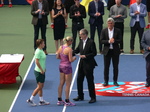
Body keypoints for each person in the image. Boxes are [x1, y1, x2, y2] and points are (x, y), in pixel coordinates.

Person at [73, 29, 97, 103]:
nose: (79, 36)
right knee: (79, 79)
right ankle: (80, 96)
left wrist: (85, 56)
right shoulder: (81, 42)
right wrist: (69, 52)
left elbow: (94, 53)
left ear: (85, 35)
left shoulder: (91, 42)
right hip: (82, 64)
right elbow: (77, 50)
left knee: (89, 80)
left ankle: (93, 97)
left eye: (80, 34)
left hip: (89, 64)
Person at [27, 39, 50, 106]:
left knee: (41, 86)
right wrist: (41, 70)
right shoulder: (38, 52)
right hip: (39, 71)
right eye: (43, 43)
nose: (44, 44)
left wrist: (43, 68)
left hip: (41, 70)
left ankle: (41, 100)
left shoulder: (41, 50)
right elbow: (36, 61)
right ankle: (30, 99)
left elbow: (41, 61)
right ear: (40, 44)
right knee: (39, 86)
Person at [100, 18, 121, 86]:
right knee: (106, 67)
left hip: (115, 51)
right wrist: (109, 41)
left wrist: (114, 41)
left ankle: (115, 81)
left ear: (113, 24)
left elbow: (120, 40)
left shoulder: (118, 30)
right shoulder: (104, 31)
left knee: (115, 67)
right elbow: (101, 40)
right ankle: (106, 81)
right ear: (107, 24)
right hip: (107, 51)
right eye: (109, 23)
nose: (110, 24)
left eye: (111, 23)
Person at [56, 36, 76, 106]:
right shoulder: (69, 49)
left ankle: (59, 99)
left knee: (61, 83)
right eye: (71, 41)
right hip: (67, 67)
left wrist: (63, 59)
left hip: (61, 66)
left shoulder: (61, 47)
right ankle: (67, 101)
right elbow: (70, 60)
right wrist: (74, 58)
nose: (72, 42)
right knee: (68, 84)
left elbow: (57, 56)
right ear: (69, 41)